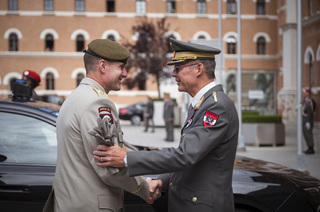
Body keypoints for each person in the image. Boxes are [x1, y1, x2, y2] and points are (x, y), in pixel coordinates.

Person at [93, 38, 239, 212]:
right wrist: (163, 181)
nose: (173, 74)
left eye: (178, 68)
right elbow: (194, 159)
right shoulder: (203, 103)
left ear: (199, 69)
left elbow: (185, 156)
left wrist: (126, 158)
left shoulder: (216, 106)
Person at [42, 39, 160, 212]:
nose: (125, 73)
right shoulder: (97, 103)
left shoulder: (76, 97)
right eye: (121, 67)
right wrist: (144, 187)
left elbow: (118, 148)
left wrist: (151, 160)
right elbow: (109, 165)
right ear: (103, 66)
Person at [302, 88, 316, 154]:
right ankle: (308, 147)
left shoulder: (309, 101)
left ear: (307, 93)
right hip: (304, 120)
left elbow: (310, 112)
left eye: (304, 93)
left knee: (309, 135)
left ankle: (311, 148)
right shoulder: (305, 100)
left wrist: (308, 122)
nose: (303, 94)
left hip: (308, 120)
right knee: (305, 134)